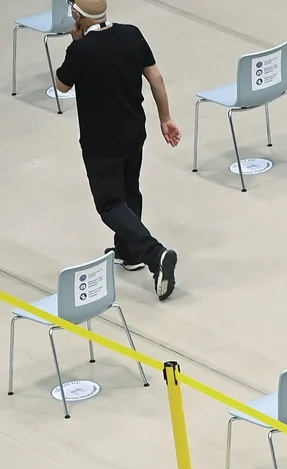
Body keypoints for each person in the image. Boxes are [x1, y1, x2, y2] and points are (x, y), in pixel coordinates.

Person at [54, 0, 180, 300]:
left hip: (101, 141)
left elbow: (61, 84)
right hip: (134, 131)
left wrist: (76, 44)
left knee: (110, 204)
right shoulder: (131, 34)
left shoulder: (80, 51)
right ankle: (129, 251)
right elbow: (156, 78)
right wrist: (166, 117)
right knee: (129, 190)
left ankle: (154, 254)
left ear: (76, 15)